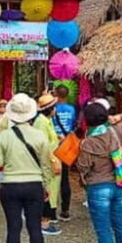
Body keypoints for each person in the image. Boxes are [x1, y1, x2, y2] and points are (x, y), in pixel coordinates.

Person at [0, 93, 53, 243]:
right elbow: (46, 164)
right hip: (34, 184)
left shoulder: (4, 136)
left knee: (13, 227)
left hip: (10, 185)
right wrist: (47, 185)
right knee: (35, 227)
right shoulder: (39, 136)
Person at [76, 103, 122, 243]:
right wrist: (114, 117)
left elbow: (83, 167)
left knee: (103, 230)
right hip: (119, 182)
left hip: (99, 185)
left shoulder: (89, 142)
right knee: (120, 224)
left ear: (87, 120)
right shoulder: (115, 131)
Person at [34, 93, 62, 236]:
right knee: (47, 190)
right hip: (48, 162)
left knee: (52, 190)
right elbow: (43, 145)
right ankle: (43, 222)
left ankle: (47, 218)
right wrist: (52, 161)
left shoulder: (47, 120)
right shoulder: (41, 122)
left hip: (53, 159)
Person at [53, 85, 77, 221]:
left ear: (56, 94)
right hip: (67, 144)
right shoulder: (71, 109)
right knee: (65, 178)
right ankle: (65, 209)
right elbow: (73, 123)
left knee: (53, 176)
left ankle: (52, 209)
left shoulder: (53, 108)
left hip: (54, 142)